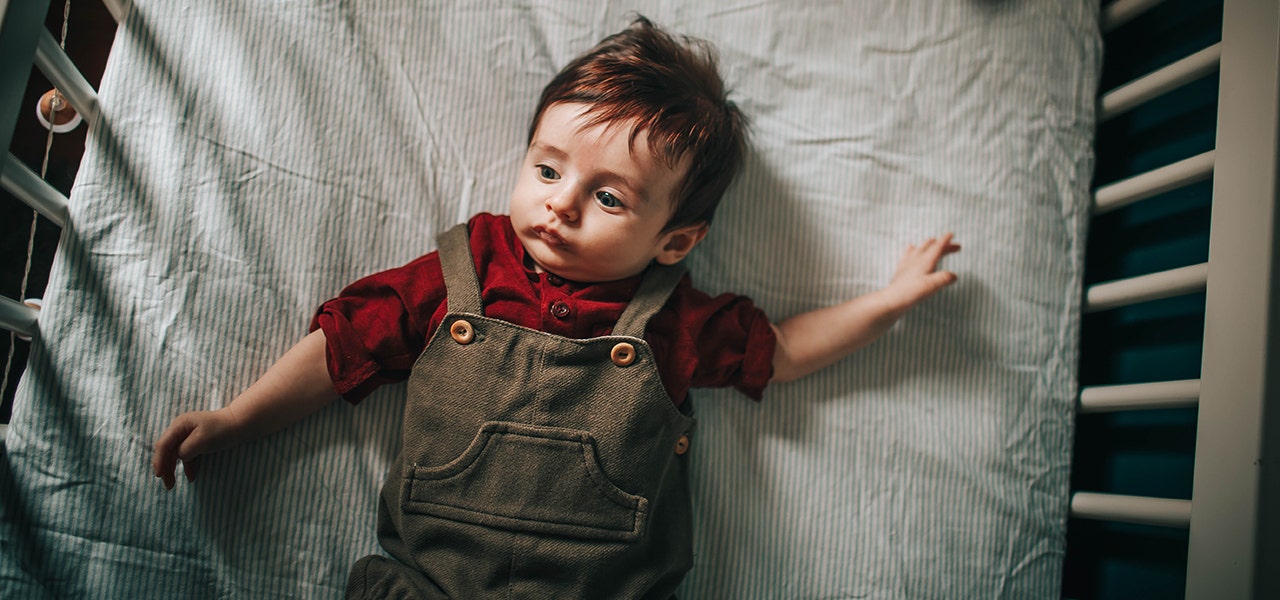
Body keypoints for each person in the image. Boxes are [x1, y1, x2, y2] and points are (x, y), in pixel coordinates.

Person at [152, 16, 960, 599]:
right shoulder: (461, 271)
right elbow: (342, 347)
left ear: (674, 241)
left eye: (607, 195)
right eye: (546, 170)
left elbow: (781, 351)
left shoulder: (671, 318)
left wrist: (887, 302)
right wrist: (237, 419)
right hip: (430, 582)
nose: (560, 205)